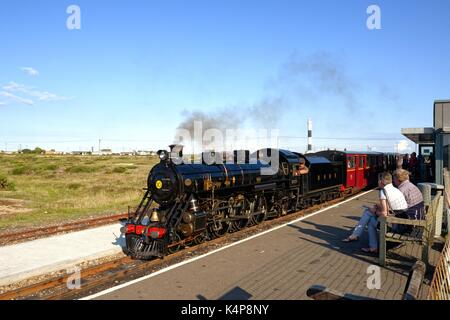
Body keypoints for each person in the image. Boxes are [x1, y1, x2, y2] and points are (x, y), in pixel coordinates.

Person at [342, 172, 408, 253]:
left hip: (396, 226)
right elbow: (390, 208)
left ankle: (360, 238)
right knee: (369, 214)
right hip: (403, 223)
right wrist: (377, 207)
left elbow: (384, 214)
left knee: (369, 217)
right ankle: (359, 237)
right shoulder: (395, 189)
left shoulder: (383, 191)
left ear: (381, 181)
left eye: (378, 180)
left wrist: (375, 211)